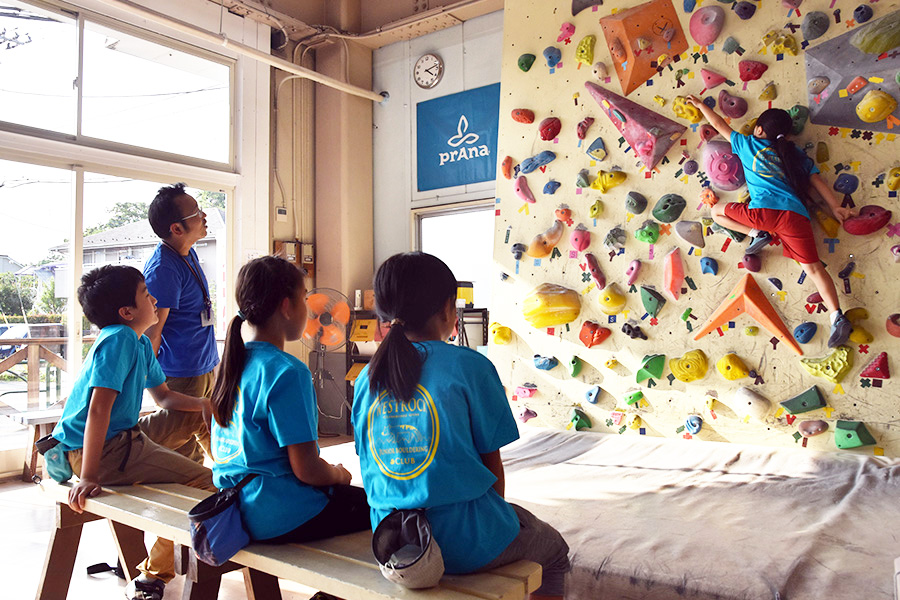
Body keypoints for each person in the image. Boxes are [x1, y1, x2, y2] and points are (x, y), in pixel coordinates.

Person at [352, 252, 570, 599]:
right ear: (447, 310)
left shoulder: (366, 379)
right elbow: (492, 466)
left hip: (393, 543)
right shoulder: (471, 367)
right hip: (463, 543)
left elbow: (369, 462)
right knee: (555, 550)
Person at [50, 265, 214, 600]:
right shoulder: (119, 339)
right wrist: (89, 476)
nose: (154, 299)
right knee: (205, 483)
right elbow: (99, 409)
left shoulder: (136, 342)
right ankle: (155, 574)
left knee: (197, 424)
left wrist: (203, 403)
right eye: (145, 294)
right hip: (97, 451)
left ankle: (242, 477)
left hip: (125, 437)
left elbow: (164, 396)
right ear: (127, 312)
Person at [209, 255, 370, 545]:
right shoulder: (287, 371)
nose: (308, 310)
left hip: (235, 507)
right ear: (286, 306)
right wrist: (338, 474)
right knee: (381, 511)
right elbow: (307, 469)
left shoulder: (233, 363)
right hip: (277, 514)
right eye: (305, 299)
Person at [684, 97, 855, 348]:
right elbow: (816, 179)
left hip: (763, 214)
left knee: (717, 213)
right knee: (814, 269)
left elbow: (720, 124)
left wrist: (701, 107)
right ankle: (837, 317)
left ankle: (756, 234)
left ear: (759, 130)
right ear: (785, 136)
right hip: (795, 217)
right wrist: (836, 207)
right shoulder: (793, 153)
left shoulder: (747, 143)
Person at [143, 183, 217, 462]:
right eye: (197, 213)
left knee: (213, 438)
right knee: (183, 454)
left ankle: (233, 492)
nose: (204, 216)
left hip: (202, 366)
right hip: (180, 374)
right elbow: (152, 333)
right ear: (176, 228)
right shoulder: (163, 269)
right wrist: (154, 385)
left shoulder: (188, 253)